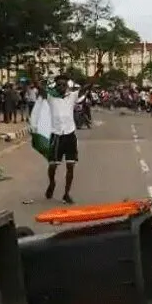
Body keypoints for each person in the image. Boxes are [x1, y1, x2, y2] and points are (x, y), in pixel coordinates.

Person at [38, 66, 102, 204]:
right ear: (56, 86)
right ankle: (52, 183)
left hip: (69, 134)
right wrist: (31, 71)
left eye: (64, 84)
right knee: (53, 165)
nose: (61, 86)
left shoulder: (72, 96)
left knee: (70, 166)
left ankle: (66, 193)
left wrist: (97, 73)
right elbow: (37, 86)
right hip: (56, 135)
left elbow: (88, 86)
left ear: (67, 86)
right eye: (59, 84)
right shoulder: (50, 97)